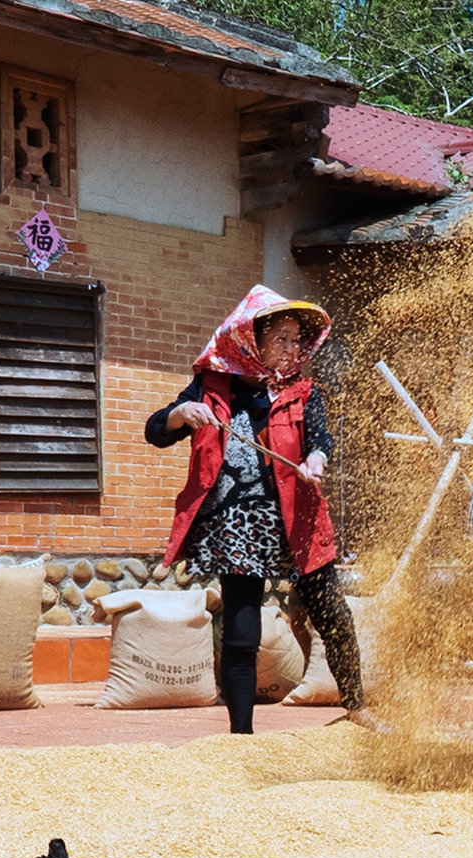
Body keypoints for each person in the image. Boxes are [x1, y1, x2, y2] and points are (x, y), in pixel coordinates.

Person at [146, 286, 375, 734]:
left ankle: (358, 708)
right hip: (238, 526)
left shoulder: (303, 391)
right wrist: (183, 412)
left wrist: (315, 460)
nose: (291, 349)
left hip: (297, 520)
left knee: (333, 614)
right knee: (242, 633)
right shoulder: (212, 385)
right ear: (254, 340)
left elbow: (320, 441)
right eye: (281, 339)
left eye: (296, 340)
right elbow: (156, 430)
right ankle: (242, 736)